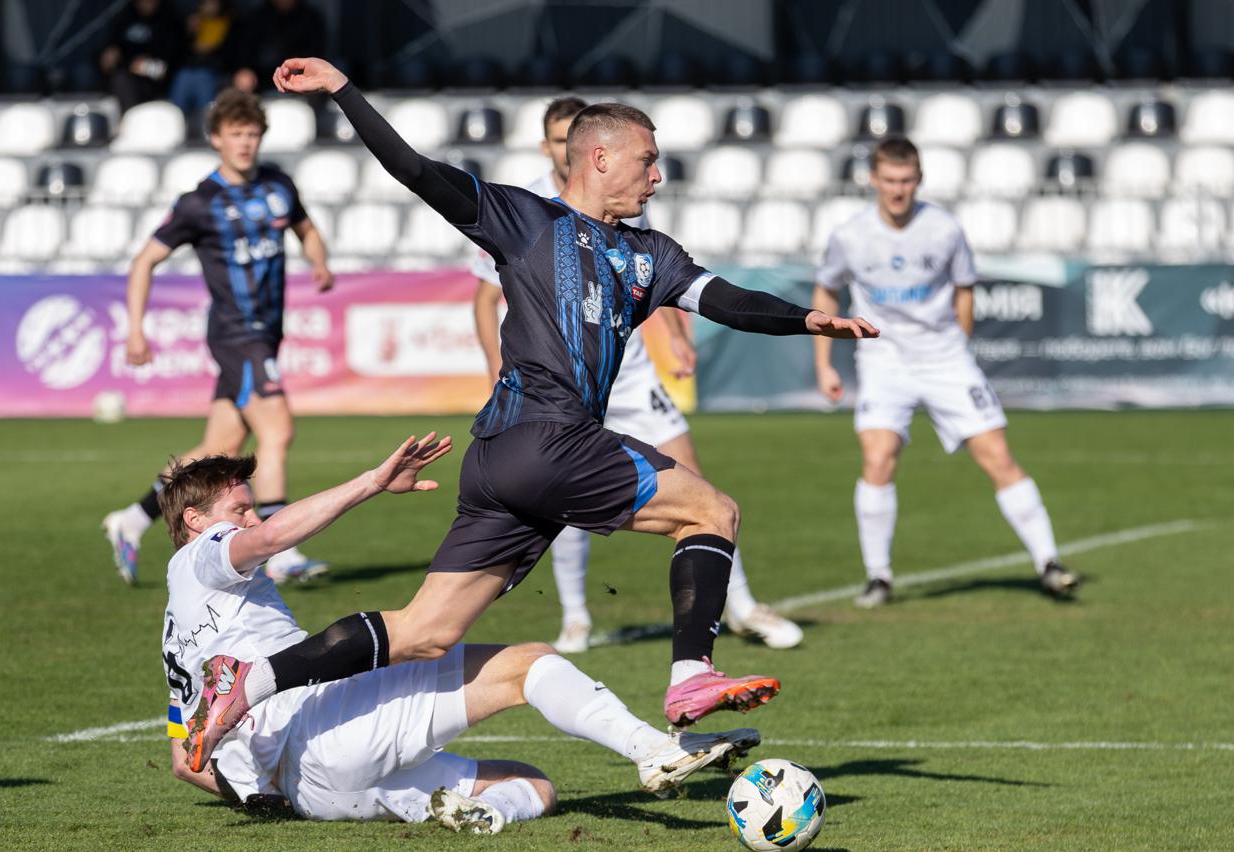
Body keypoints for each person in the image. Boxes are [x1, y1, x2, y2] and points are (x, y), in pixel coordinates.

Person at [180, 56, 879, 773]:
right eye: (647, 160)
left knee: (424, 631)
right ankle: (689, 677)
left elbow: (726, 299)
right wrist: (342, 91)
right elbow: (415, 171)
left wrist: (805, 319)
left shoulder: (651, 255)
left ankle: (250, 681)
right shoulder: (524, 219)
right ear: (600, 157)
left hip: (497, 460)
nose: (657, 175)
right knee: (713, 512)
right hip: (550, 437)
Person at [161, 448, 760, 830]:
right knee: (528, 664)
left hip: (313, 793)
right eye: (240, 510)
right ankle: (654, 749)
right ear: (195, 521)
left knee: (532, 785)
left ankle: (483, 815)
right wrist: (371, 482)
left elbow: (183, 763)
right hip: (327, 729)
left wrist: (261, 796)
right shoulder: (203, 554)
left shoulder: (177, 635)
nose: (253, 520)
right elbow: (268, 541)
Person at [471, 96, 802, 653]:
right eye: (557, 140)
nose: (564, 147)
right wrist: (494, 370)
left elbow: (649, 275)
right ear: (555, 148)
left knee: (700, 490)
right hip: (557, 382)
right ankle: (576, 618)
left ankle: (742, 606)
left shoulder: (625, 192)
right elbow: (485, 298)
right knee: (559, 495)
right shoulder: (524, 209)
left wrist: (675, 336)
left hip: (627, 372)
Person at [811, 137, 1080, 608]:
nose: (898, 190)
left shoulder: (944, 229)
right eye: (890, 180)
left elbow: (964, 288)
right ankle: (878, 576)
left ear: (919, 179)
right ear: (873, 179)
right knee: (878, 457)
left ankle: (1049, 563)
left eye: (907, 180)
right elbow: (826, 290)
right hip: (883, 359)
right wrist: (824, 363)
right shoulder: (850, 235)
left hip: (944, 357)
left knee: (997, 455)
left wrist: (961, 347)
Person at [101, 89, 335, 587]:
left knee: (220, 447)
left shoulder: (278, 184)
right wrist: (136, 329)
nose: (245, 143)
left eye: (252, 134)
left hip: (266, 334)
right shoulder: (200, 203)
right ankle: (280, 549)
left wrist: (318, 261)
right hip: (235, 334)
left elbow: (308, 230)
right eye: (235, 134)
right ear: (215, 139)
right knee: (277, 431)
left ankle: (133, 518)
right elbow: (144, 261)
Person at [100, 0, 186, 114]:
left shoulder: (169, 19)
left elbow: (173, 62)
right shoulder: (126, 16)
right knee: (120, 79)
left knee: (123, 81)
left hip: (157, 83)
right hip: (125, 74)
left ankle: (132, 118)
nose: (145, 4)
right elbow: (112, 47)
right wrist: (109, 56)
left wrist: (148, 66)